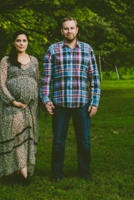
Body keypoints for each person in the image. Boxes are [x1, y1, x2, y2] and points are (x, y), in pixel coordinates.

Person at [41, 17, 101, 182]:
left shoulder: (87, 50)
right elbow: (46, 79)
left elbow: (94, 78)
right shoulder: (53, 50)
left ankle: (84, 173)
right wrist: (46, 100)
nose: (69, 31)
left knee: (84, 142)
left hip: (83, 104)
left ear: (77, 30)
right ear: (62, 31)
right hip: (60, 104)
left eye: (72, 28)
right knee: (59, 142)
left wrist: (95, 102)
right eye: (66, 29)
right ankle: (57, 174)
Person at [0, 31, 41, 185]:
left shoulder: (34, 61)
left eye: (24, 40)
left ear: (28, 42)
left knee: (26, 136)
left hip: (29, 107)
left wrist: (32, 98)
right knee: (15, 135)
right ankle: (17, 171)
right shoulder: (6, 60)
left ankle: (21, 170)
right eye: (18, 40)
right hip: (11, 106)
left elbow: (37, 81)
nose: (21, 43)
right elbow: (1, 83)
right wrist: (12, 101)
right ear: (13, 43)